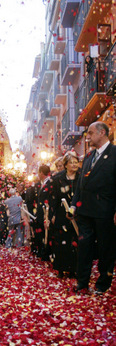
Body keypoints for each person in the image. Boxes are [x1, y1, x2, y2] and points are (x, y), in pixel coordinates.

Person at [71, 121, 116, 294]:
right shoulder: (89, 156)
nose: (87, 136)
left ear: (102, 132)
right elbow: (81, 185)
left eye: (90, 133)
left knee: (106, 250)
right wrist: (74, 205)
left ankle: (102, 284)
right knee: (84, 248)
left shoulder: (114, 153)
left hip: (105, 212)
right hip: (85, 212)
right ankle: (82, 283)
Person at [50, 152, 80, 278]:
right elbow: (54, 198)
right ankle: (61, 268)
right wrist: (53, 214)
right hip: (62, 214)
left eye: (76, 162)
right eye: (71, 162)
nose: (74, 165)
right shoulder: (58, 178)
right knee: (62, 241)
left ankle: (74, 269)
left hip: (78, 213)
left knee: (76, 241)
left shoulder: (81, 177)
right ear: (66, 164)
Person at [35, 164, 51, 259]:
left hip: (46, 212)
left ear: (41, 173)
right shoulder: (43, 183)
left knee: (46, 234)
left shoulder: (49, 183)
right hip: (41, 213)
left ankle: (46, 253)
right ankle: (42, 251)